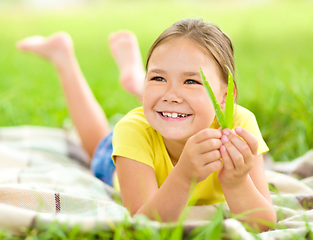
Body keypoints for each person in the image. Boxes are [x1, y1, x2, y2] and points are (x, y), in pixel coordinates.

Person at [17, 18, 276, 231]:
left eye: (192, 82)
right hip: (126, 158)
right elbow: (143, 224)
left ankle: (133, 78)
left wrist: (236, 181)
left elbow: (263, 224)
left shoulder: (240, 126)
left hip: (165, 119)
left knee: (170, 108)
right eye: (158, 78)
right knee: (98, 143)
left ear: (225, 97)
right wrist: (185, 175)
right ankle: (64, 59)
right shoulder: (132, 130)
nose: (172, 93)